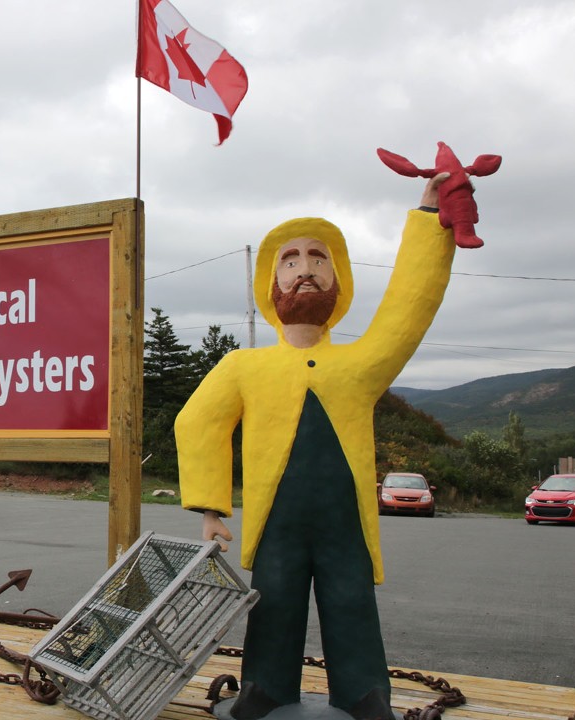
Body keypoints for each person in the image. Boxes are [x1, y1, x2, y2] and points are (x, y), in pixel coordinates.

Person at [176, 175, 454, 720]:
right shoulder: (243, 367)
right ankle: (264, 688)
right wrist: (210, 507)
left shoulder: (361, 363)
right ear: (271, 283)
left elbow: (408, 309)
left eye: (318, 258)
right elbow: (198, 422)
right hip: (274, 519)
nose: (305, 269)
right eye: (290, 260)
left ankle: (364, 693)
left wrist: (428, 219)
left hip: (344, 519)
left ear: (338, 278)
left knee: (352, 599)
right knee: (273, 599)